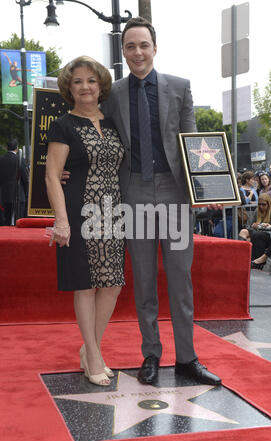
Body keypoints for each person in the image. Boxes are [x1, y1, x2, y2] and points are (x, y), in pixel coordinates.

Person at [100, 17, 221, 386]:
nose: (137, 52)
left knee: (181, 277)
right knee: (145, 280)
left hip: (175, 193)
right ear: (123, 51)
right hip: (133, 192)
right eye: (130, 46)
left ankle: (187, 358)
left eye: (143, 45)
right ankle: (151, 353)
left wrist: (205, 189)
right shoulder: (112, 92)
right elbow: (99, 137)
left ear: (155, 48)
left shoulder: (179, 88)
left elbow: (193, 140)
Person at [45, 56, 125, 386]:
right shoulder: (63, 125)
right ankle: (93, 354)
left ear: (100, 85)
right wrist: (61, 222)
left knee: (113, 284)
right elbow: (51, 175)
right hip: (79, 212)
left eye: (90, 81)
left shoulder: (113, 123)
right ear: (69, 88)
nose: (85, 87)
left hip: (113, 213)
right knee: (85, 284)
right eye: (77, 81)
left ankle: (88, 347)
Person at [0, 138, 29, 225]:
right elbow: (25, 178)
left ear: (6, 147)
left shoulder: (1, 159)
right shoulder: (20, 159)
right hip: (19, 194)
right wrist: (27, 193)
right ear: (17, 148)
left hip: (4, 194)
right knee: (19, 220)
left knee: (6, 219)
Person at [239, 193, 271, 268]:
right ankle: (240, 255)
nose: (261, 206)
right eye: (259, 204)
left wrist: (269, 226)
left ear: (268, 204)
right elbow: (249, 226)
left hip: (267, 234)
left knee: (257, 235)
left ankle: (257, 260)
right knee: (243, 231)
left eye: (263, 204)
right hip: (257, 231)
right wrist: (253, 225)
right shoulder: (257, 210)